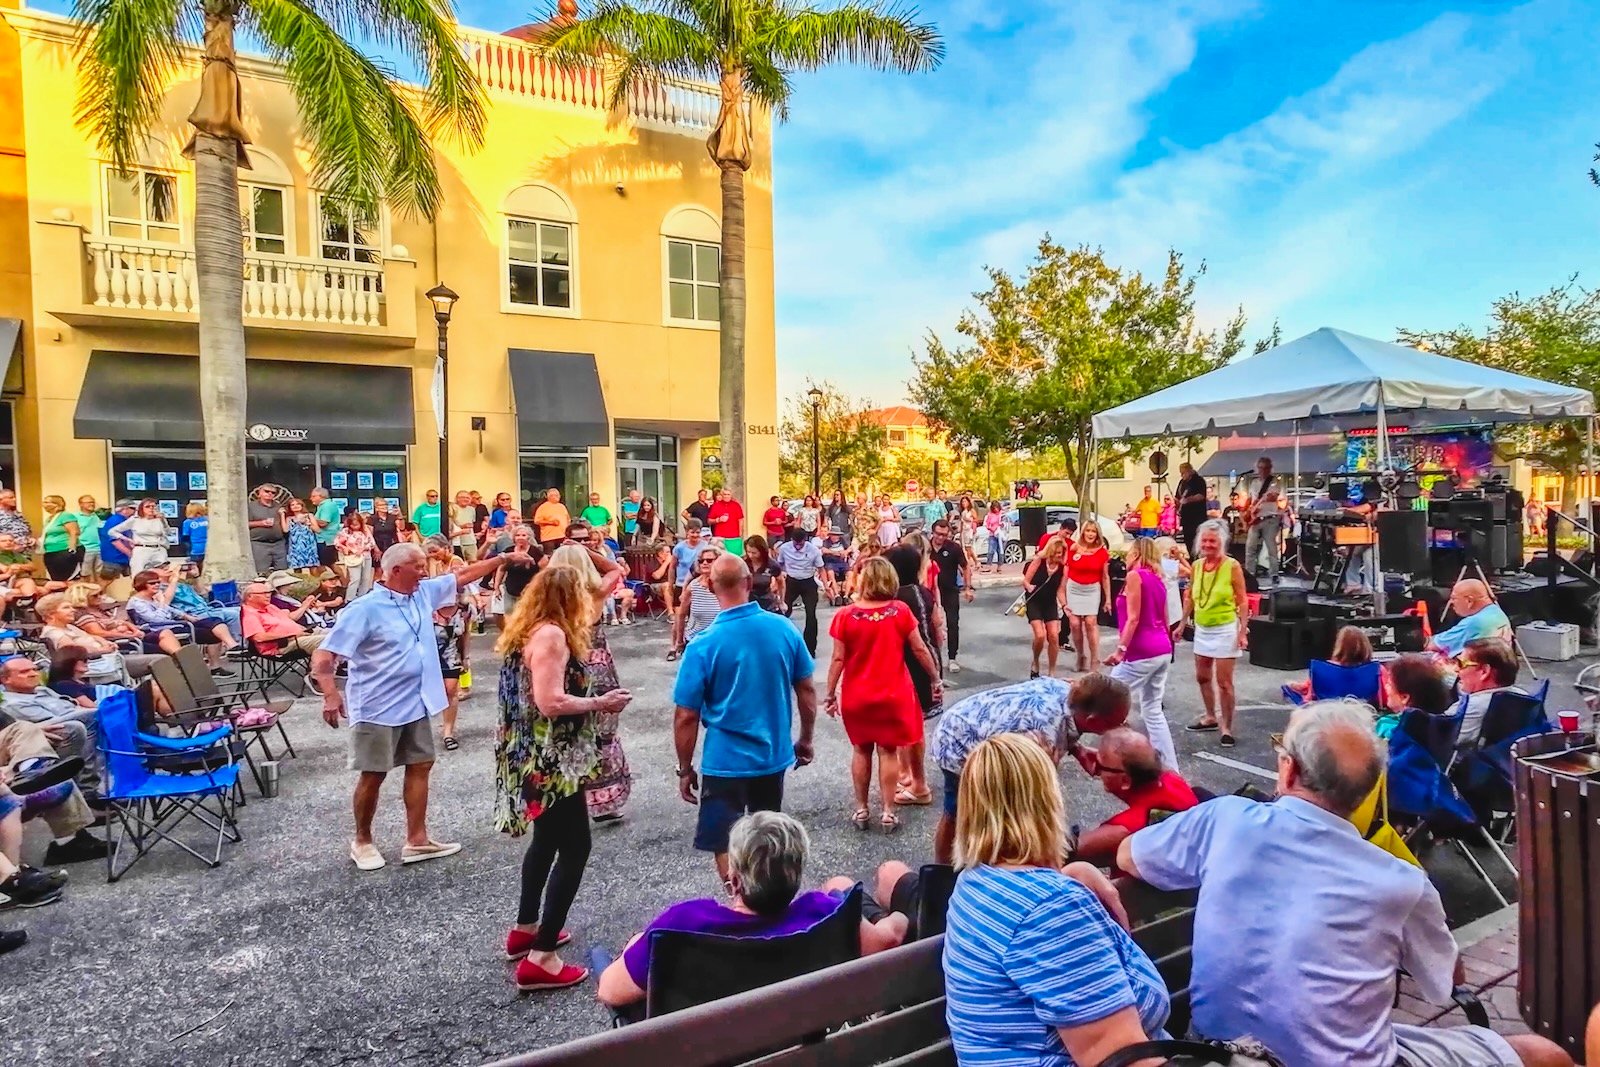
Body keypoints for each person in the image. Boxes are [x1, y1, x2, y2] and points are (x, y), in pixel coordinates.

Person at [1118, 700, 1571, 1067]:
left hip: (1212, 1052)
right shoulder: (1400, 881)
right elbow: (1443, 983)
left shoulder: (1225, 820)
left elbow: (1128, 855)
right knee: (1541, 1053)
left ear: (1288, 770)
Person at [944, 733, 1171, 1067]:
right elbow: (1123, 1059)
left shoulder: (975, 883)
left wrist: (1068, 873)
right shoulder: (1051, 911)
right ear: (1047, 801)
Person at [313, 542, 525, 872]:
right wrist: (330, 695)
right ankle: (362, 840)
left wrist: (505, 558)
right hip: (376, 706)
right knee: (373, 774)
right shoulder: (364, 609)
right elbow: (325, 655)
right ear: (395, 570)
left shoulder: (422, 594)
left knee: (421, 764)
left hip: (416, 701)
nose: (425, 572)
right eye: (418, 566)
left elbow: (462, 576)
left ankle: (417, 839)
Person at [596, 812, 906, 1010]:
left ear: (733, 879)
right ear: (795, 875)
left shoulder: (686, 924)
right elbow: (886, 940)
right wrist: (899, 914)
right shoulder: (823, 914)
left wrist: (635, 945)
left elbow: (611, 991)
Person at [493, 566, 632, 990]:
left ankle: (526, 928)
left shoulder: (529, 629)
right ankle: (543, 955)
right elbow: (550, 702)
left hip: (531, 755)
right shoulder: (552, 636)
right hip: (552, 760)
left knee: (547, 841)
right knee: (575, 847)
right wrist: (600, 702)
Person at [673, 553, 815, 884]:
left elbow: (686, 716)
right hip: (772, 756)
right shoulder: (783, 628)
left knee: (725, 839)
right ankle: (770, 899)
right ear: (749, 582)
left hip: (725, 761)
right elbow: (806, 690)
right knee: (769, 834)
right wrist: (806, 739)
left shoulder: (702, 645)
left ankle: (739, 901)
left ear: (709, 585)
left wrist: (684, 768)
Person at [825, 556, 937, 834]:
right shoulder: (899, 611)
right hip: (892, 692)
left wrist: (829, 693)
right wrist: (935, 678)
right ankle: (888, 811)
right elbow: (920, 649)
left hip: (857, 694)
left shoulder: (845, 616)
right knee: (888, 751)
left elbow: (838, 659)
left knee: (861, 750)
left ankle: (862, 808)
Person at [548, 542, 634, 823]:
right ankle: (604, 800)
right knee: (603, 734)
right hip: (598, 666)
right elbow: (615, 568)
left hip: (566, 666)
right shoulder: (596, 593)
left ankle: (570, 799)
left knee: (569, 733)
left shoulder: (551, 602)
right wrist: (586, 551)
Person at [1073, 727, 1196, 873]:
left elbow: (1057, 853)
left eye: (1099, 765)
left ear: (1125, 780)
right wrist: (1077, 749)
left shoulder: (1123, 831)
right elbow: (1145, 759)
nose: (1096, 768)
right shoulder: (1174, 781)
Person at [1104, 537, 1178, 770]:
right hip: (1161, 649)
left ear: (1136, 554)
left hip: (1142, 650)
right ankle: (1170, 769)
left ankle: (1126, 759)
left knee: (1106, 697)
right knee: (1153, 710)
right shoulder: (1158, 579)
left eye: (1129, 553)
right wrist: (1168, 648)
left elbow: (1134, 617)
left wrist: (1120, 650)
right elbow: (1166, 618)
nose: (1126, 557)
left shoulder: (1135, 576)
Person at [886, 543, 942, 806]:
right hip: (917, 659)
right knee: (906, 724)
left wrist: (934, 675)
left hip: (916, 662)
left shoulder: (902, 597)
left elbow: (920, 640)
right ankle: (909, 774)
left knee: (913, 726)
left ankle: (919, 783)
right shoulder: (920, 592)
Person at [1185, 519, 1248, 748]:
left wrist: (1242, 631)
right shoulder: (1197, 565)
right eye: (1205, 540)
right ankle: (1210, 715)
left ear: (1221, 542)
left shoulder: (1232, 566)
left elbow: (1242, 601)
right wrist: (1182, 624)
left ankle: (1227, 727)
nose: (1208, 544)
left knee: (1224, 682)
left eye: (1213, 540)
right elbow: (1190, 596)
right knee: (1202, 676)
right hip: (1202, 627)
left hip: (1224, 628)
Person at [0, 657, 105, 784]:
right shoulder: (11, 703)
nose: (33, 674)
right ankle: (87, 785)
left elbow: (72, 706)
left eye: (35, 669)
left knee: (117, 709)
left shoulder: (42, 690)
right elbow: (54, 720)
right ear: (6, 679)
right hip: (48, 728)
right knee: (90, 717)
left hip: (72, 716)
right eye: (24, 672)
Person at [126, 567, 238, 661]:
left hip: (175, 624)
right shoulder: (137, 602)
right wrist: (161, 602)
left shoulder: (152, 598)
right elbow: (156, 620)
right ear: (142, 584)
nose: (157, 585)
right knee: (209, 630)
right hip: (157, 629)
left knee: (213, 622)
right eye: (152, 583)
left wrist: (186, 616)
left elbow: (170, 609)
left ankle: (232, 647)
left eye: (158, 582)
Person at [1455, 637, 1527, 745]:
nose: (1456, 669)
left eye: (1461, 663)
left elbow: (1437, 744)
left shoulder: (1471, 707)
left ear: (1484, 671)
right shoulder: (1524, 698)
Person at [1283, 625, 1375, 706]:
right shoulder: (1376, 670)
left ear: (1339, 646)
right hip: (1363, 714)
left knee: (1287, 687)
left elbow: (1310, 694)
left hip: (1328, 715)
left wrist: (1291, 686)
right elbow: (1383, 698)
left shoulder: (1323, 669)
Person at [1064, 521, 1111, 673]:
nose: (1090, 534)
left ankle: (1095, 658)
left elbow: (1105, 577)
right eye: (1088, 531)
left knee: (1090, 622)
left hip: (1092, 589)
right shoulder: (1073, 548)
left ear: (1097, 534)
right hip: (1074, 588)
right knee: (1075, 624)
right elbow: (1067, 570)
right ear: (1083, 532)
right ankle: (1080, 656)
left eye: (1093, 531)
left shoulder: (1102, 552)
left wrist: (1108, 599)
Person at [928, 519, 973, 675]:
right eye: (938, 534)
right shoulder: (926, 548)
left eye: (944, 535)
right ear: (932, 532)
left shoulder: (953, 548)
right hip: (930, 591)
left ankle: (952, 657)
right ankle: (933, 658)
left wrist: (967, 588)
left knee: (953, 623)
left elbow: (965, 567)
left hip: (950, 590)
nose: (941, 538)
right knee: (931, 625)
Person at [1428, 579, 1513, 658]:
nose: (1451, 603)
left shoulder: (1476, 622)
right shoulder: (1497, 612)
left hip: (1477, 671)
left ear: (1469, 601)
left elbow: (1434, 645)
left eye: (1454, 598)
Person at [239, 580, 327, 656]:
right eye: (264, 593)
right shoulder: (250, 614)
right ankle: (320, 673)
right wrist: (291, 635)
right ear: (250, 596)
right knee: (327, 640)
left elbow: (289, 619)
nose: (268, 595)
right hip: (284, 644)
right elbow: (259, 637)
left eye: (269, 592)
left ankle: (333, 668)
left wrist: (305, 605)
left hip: (302, 633)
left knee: (337, 633)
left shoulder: (270, 607)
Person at [1021, 538, 1067, 679]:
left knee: (1053, 635)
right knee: (1040, 635)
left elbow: (1060, 590)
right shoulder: (1039, 561)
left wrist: (1065, 605)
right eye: (1056, 552)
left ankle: (1052, 671)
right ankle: (1035, 662)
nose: (1059, 556)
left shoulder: (1063, 568)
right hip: (1034, 601)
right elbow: (1025, 580)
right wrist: (1029, 587)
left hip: (1050, 602)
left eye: (1061, 553)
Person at [671, 543, 725, 661]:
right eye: (701, 561)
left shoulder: (725, 586)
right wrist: (679, 641)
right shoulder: (693, 586)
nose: (704, 563)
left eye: (709, 560)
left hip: (719, 643)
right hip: (695, 641)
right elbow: (681, 615)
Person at [777, 525, 824, 654]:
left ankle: (810, 647)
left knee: (811, 614)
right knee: (784, 611)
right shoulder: (785, 548)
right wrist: (779, 579)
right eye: (795, 544)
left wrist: (827, 587)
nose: (798, 546)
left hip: (808, 582)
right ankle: (782, 643)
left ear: (806, 540)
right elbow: (779, 565)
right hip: (791, 581)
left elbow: (821, 568)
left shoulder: (813, 550)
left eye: (801, 544)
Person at [432, 594, 469, 751]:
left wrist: (465, 657)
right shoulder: (428, 609)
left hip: (451, 655)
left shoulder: (464, 610)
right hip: (430, 656)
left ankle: (448, 732)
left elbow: (466, 634)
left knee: (451, 690)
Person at [1240, 455, 1284, 585]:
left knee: (1271, 547)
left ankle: (1274, 574)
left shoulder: (1274, 482)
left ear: (1270, 469)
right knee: (1250, 547)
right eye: (1260, 468)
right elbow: (1252, 500)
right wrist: (1249, 511)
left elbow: (1273, 497)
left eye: (1265, 468)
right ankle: (1250, 575)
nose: (1262, 471)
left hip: (1270, 518)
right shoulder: (1254, 483)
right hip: (1256, 519)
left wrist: (1264, 499)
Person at [491, 530, 542, 628]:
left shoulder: (535, 551)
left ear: (529, 537)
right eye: (518, 535)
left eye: (524, 535)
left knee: (527, 615)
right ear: (514, 537)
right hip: (511, 588)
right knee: (509, 614)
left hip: (530, 589)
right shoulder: (508, 551)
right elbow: (501, 569)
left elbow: (545, 570)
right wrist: (496, 587)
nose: (520, 537)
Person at [109, 498, 171, 575]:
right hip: (142, 549)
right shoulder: (135, 519)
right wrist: (128, 540)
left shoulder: (159, 519)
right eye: (148, 506)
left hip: (159, 549)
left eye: (153, 506)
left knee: (161, 575)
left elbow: (168, 533)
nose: (151, 509)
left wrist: (163, 520)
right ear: (142, 508)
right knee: (138, 575)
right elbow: (112, 531)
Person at [335, 511, 378, 599]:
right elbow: (337, 543)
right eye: (353, 525)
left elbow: (372, 542)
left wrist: (363, 548)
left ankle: (362, 598)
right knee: (355, 579)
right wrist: (347, 549)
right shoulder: (346, 531)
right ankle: (349, 599)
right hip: (353, 557)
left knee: (365, 579)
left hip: (365, 556)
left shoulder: (365, 531)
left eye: (357, 525)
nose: (355, 527)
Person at [39, 496, 82, 583]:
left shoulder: (66, 516)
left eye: (47, 502)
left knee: (67, 579)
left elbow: (74, 532)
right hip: (50, 552)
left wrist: (71, 551)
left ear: (57, 504)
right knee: (56, 579)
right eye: (44, 502)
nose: (44, 504)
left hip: (64, 550)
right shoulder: (49, 519)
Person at [247, 485, 288, 574]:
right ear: (259, 493)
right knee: (261, 572)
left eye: (273, 492)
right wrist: (261, 523)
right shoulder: (251, 506)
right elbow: (243, 524)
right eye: (267, 491)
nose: (270, 494)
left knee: (283, 572)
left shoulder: (278, 506)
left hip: (279, 543)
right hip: (259, 543)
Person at [743, 534, 783, 613]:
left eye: (754, 553)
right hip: (747, 603)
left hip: (766, 603)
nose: (750, 555)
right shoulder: (743, 563)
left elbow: (781, 581)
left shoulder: (772, 565)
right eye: (748, 552)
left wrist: (781, 600)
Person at [1176, 461, 1208, 552]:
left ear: (1189, 471)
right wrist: (1177, 504)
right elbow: (1178, 496)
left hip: (1197, 517)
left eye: (1183, 473)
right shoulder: (1182, 483)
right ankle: (1191, 557)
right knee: (1188, 539)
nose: (1182, 475)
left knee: (1197, 539)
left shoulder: (1199, 481)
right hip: (1186, 517)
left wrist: (1187, 500)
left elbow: (1201, 496)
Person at [308, 487, 342, 569]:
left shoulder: (327, 506)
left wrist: (310, 519)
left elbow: (323, 523)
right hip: (324, 540)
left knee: (331, 565)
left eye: (313, 496)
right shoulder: (322, 506)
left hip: (326, 541)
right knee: (322, 565)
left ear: (321, 496)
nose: (310, 498)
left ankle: (345, 582)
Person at [281, 497, 319, 570]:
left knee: (312, 567)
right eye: (292, 505)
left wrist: (307, 523)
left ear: (302, 506)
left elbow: (317, 530)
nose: (295, 506)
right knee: (296, 568)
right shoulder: (289, 518)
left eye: (298, 504)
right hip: (295, 547)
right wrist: (282, 515)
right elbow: (285, 530)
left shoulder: (309, 515)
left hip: (309, 545)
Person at [707, 488, 745, 555]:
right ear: (722, 495)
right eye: (725, 494)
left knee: (735, 558)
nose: (726, 496)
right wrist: (718, 520)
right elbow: (709, 521)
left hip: (734, 537)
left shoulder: (736, 505)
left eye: (728, 494)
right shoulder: (716, 505)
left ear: (731, 495)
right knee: (719, 558)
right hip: (720, 537)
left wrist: (740, 534)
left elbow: (741, 520)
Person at [75, 495, 104, 579]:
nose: (92, 504)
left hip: (100, 549)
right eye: (88, 502)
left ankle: (100, 592)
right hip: (85, 550)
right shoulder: (74, 517)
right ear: (81, 504)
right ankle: (86, 592)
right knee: (85, 576)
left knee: (101, 576)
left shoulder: (99, 515)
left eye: (93, 502)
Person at [449, 490, 479, 562]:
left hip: (471, 541)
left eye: (467, 498)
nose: (465, 499)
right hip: (457, 543)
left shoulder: (472, 509)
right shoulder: (453, 508)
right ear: (457, 498)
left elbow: (472, 523)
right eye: (462, 497)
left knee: (473, 562)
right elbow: (451, 525)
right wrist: (462, 526)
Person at [179, 502, 209, 570]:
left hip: (195, 550)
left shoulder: (187, 522)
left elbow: (185, 537)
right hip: (209, 549)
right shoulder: (208, 520)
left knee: (196, 571)